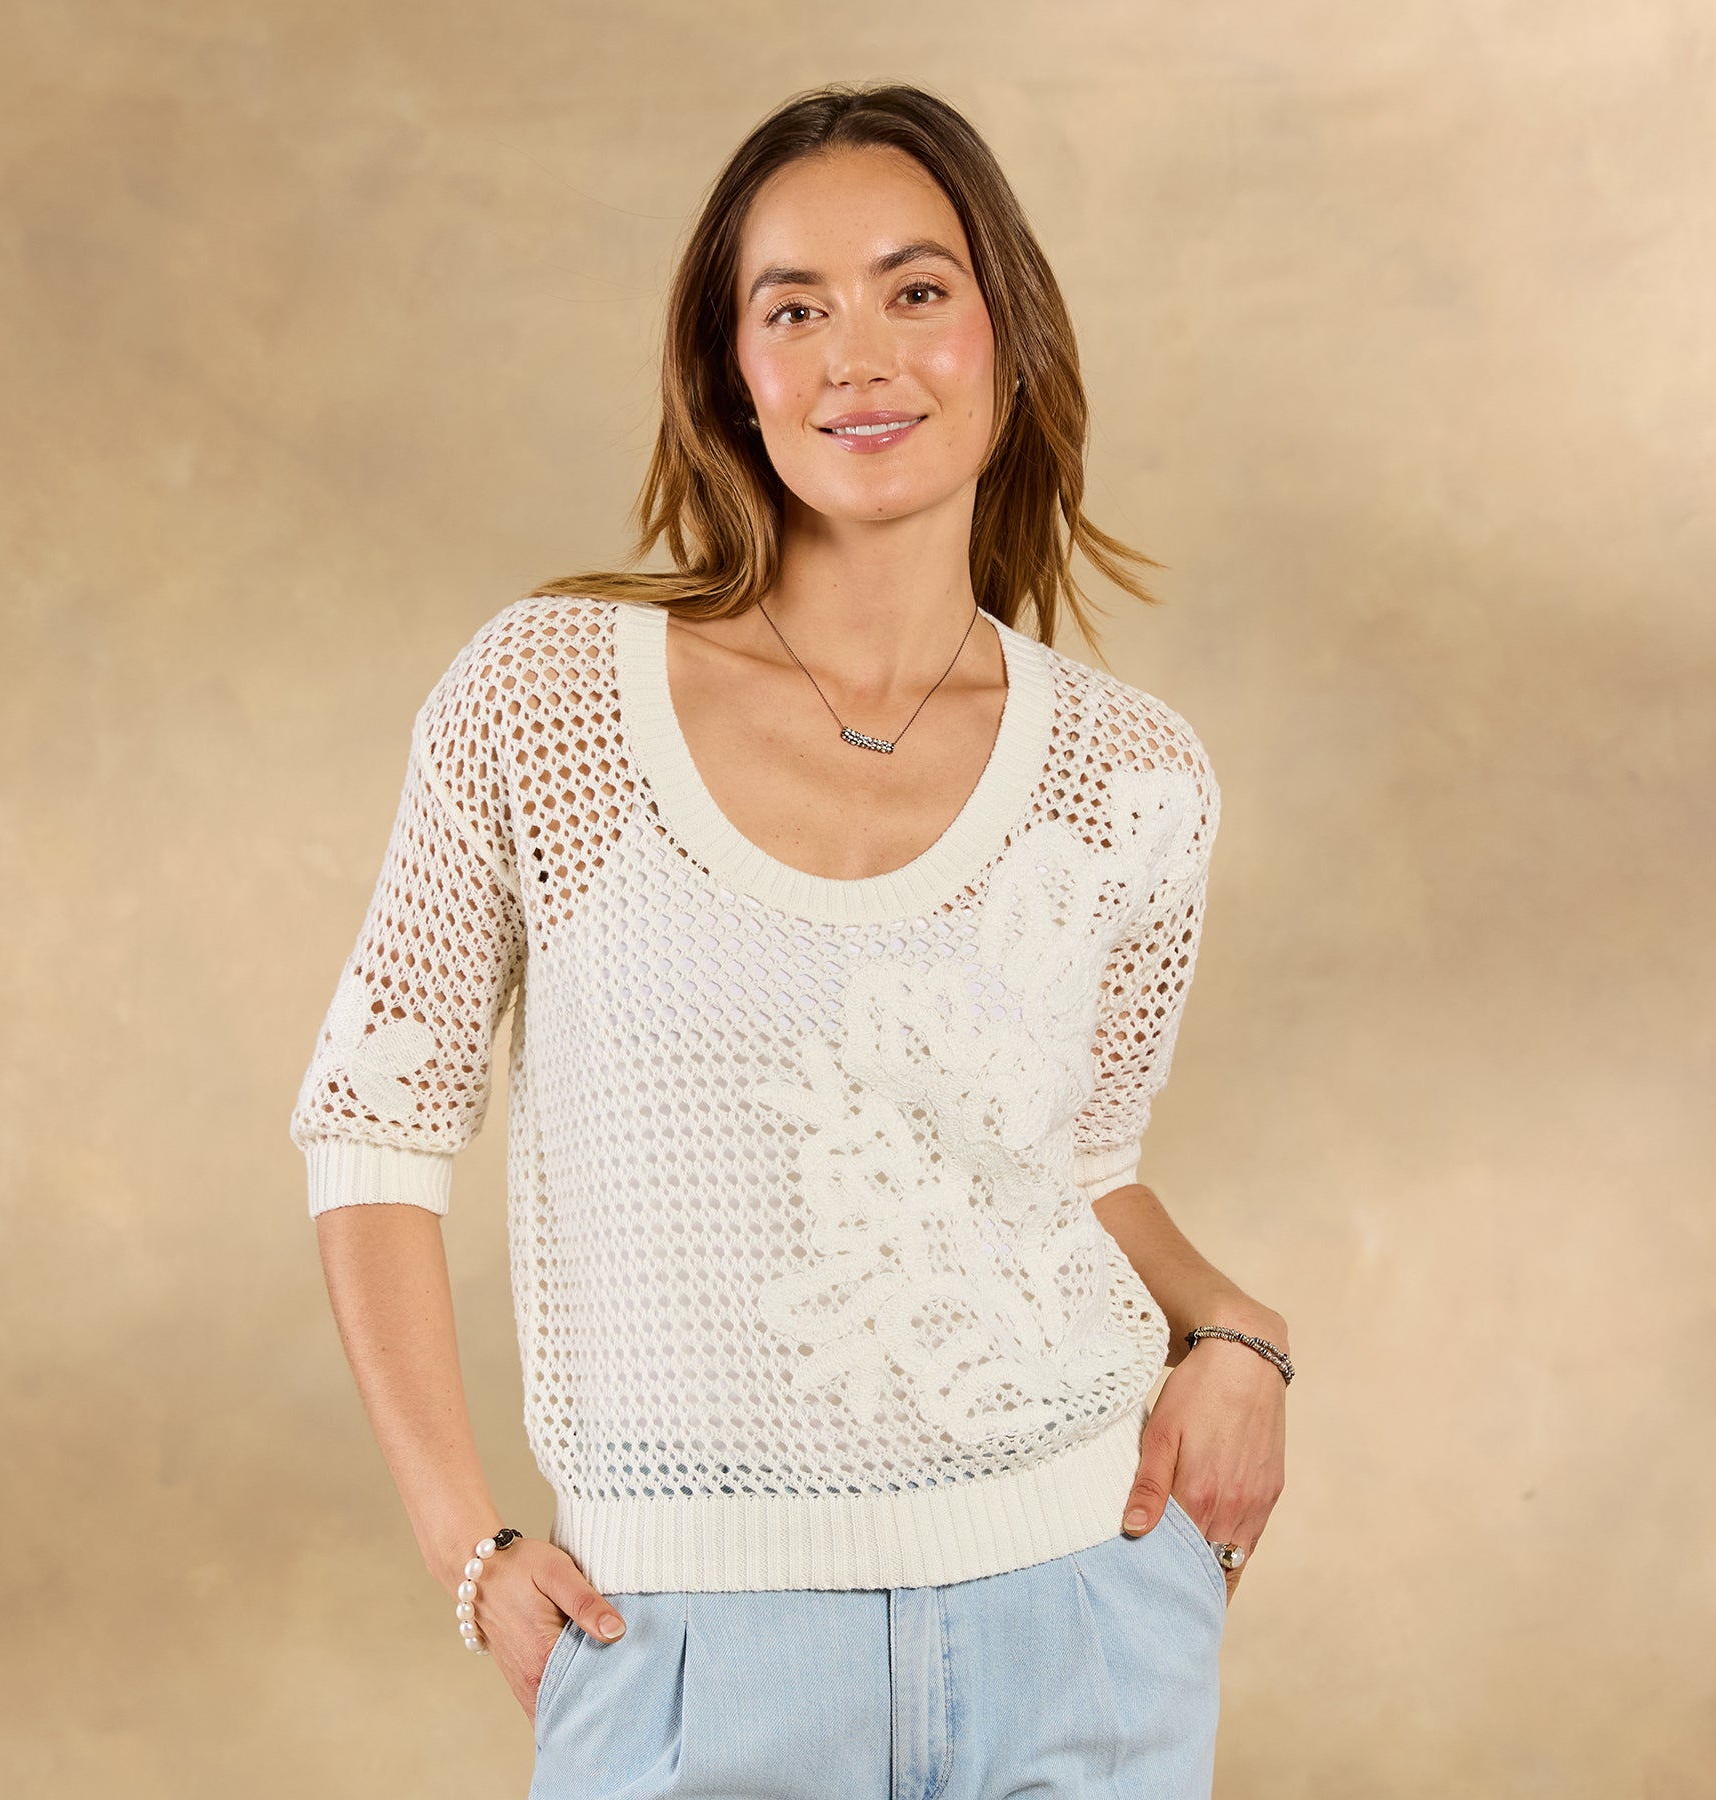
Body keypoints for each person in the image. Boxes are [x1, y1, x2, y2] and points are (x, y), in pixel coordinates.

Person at [291, 80, 1290, 1800]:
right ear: (732, 374)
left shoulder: (1135, 777)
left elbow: (1080, 1166)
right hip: (689, 1648)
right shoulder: (547, 700)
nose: (858, 357)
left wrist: (1238, 1334)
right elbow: (371, 1124)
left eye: (916, 290)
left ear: (1008, 339)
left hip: (1085, 1614)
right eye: (795, 309)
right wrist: (470, 1548)